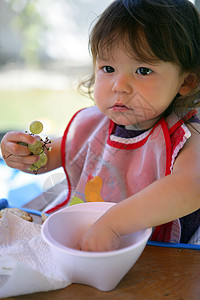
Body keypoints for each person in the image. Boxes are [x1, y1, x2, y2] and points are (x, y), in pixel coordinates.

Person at [1, 0, 200, 251]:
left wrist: (113, 224)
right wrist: (25, 154)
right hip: (87, 246)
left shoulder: (186, 134)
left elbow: (192, 185)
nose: (120, 85)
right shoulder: (93, 125)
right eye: (108, 68)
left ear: (187, 80)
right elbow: (55, 156)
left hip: (158, 256)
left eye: (143, 70)